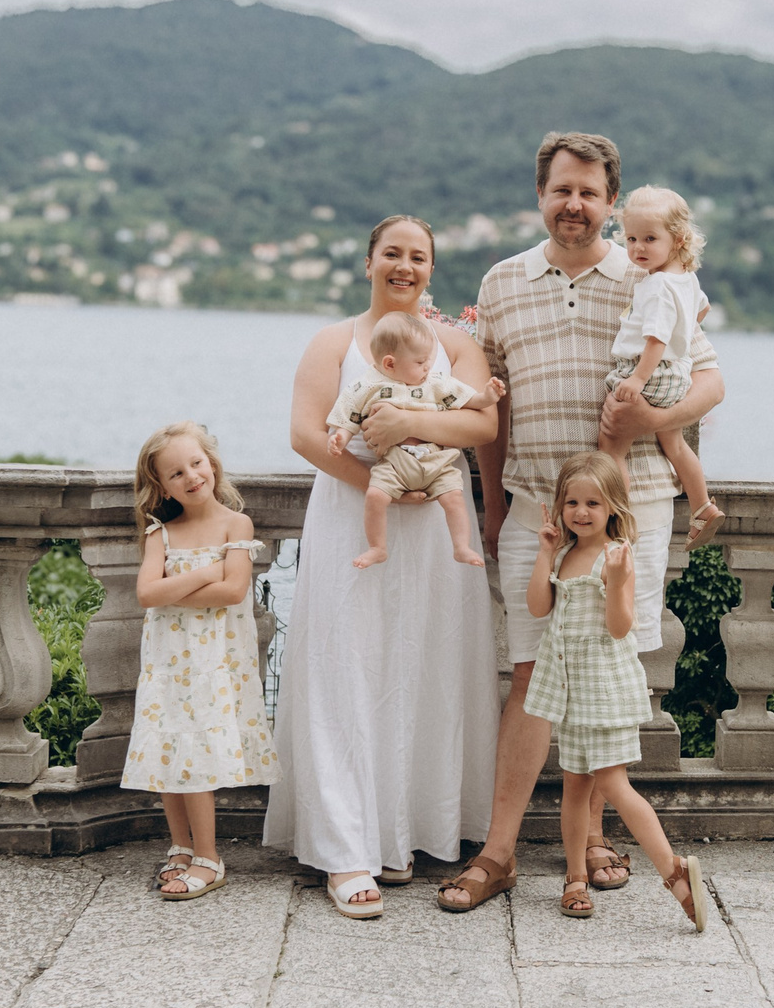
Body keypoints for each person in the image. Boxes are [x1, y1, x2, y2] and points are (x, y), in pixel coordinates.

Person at [437, 132, 725, 915]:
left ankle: (590, 839)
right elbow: (489, 411)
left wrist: (654, 414)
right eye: (562, 189)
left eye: (590, 193)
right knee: (530, 675)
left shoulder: (653, 276)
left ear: (609, 200)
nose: (575, 204)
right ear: (541, 194)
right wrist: (493, 509)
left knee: (603, 673)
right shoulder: (501, 283)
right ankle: (498, 854)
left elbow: (712, 380)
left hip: (633, 509)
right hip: (534, 506)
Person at [268, 213, 500, 920]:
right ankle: (346, 848)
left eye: (418, 256)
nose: (405, 265)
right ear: (369, 260)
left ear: (432, 269)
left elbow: (482, 426)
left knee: (421, 670)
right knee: (345, 669)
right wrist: (384, 481)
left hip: (435, 532)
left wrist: (413, 441)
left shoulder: (456, 343)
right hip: (353, 520)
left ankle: (402, 834)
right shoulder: (333, 342)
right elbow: (307, 432)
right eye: (392, 253)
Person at [526, 451, 709, 929]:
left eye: (593, 503)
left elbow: (619, 627)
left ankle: (674, 872)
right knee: (573, 784)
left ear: (612, 508)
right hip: (571, 687)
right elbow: (538, 607)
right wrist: (545, 550)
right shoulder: (565, 553)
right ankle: (574, 876)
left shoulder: (615, 555)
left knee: (611, 783)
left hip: (603, 686)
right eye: (572, 502)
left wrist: (619, 581)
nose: (581, 512)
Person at [122, 421, 274, 901]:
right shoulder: (160, 534)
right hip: (169, 663)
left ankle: (210, 856)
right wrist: (210, 569)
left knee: (197, 755)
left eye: (196, 464)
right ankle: (182, 846)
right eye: (175, 473)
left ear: (212, 464)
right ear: (161, 485)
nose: (190, 476)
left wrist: (180, 585)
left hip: (215, 663)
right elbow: (148, 593)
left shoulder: (236, 524)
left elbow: (233, 591)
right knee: (170, 747)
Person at [326, 312, 504, 569]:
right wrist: (340, 437)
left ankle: (462, 546)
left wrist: (487, 396)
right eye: (420, 362)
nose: (427, 367)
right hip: (394, 463)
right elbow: (349, 413)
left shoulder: (434, 382)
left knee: (454, 496)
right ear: (390, 364)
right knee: (375, 495)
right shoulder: (367, 385)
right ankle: (377, 547)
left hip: (436, 460)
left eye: (428, 361)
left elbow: (467, 400)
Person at [597, 185, 723, 547]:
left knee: (611, 444)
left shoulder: (656, 286)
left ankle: (620, 518)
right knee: (675, 444)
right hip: (677, 374)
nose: (637, 248)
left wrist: (637, 379)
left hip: (648, 371)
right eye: (632, 238)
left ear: (678, 238)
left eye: (649, 239)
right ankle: (703, 507)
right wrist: (681, 335)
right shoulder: (687, 278)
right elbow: (702, 310)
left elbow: (654, 339)